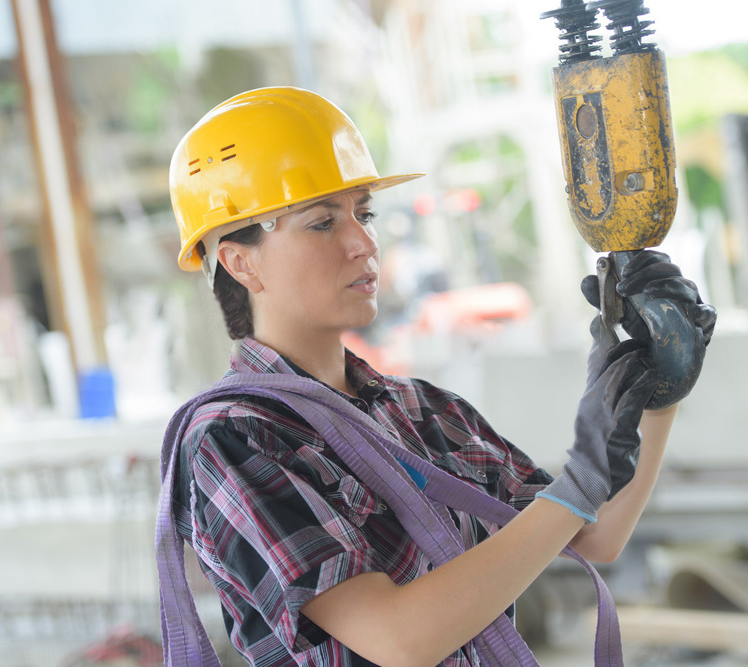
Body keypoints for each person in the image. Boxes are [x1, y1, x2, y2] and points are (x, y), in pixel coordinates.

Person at [156, 86, 716, 666]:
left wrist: (658, 398)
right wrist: (577, 486)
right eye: (322, 224)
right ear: (239, 261)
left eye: (364, 214)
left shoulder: (419, 410)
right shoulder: (235, 440)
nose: (363, 242)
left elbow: (591, 536)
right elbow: (400, 639)